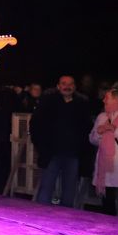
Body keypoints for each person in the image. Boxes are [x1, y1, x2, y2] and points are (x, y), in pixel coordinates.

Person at [30, 75, 93, 207]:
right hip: (51, 153)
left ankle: (65, 217)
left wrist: (81, 149)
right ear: (58, 86)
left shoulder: (81, 104)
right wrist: (41, 147)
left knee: (69, 191)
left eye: (70, 84)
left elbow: (87, 128)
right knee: (46, 188)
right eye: (64, 84)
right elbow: (35, 125)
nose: (67, 87)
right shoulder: (48, 102)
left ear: (74, 87)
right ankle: (41, 216)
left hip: (73, 154)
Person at [89, 85, 118, 213]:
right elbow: (92, 139)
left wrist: (114, 130)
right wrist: (99, 134)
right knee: (107, 201)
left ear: (116, 99)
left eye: (107, 97)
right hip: (104, 165)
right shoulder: (102, 116)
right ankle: (108, 223)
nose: (103, 100)